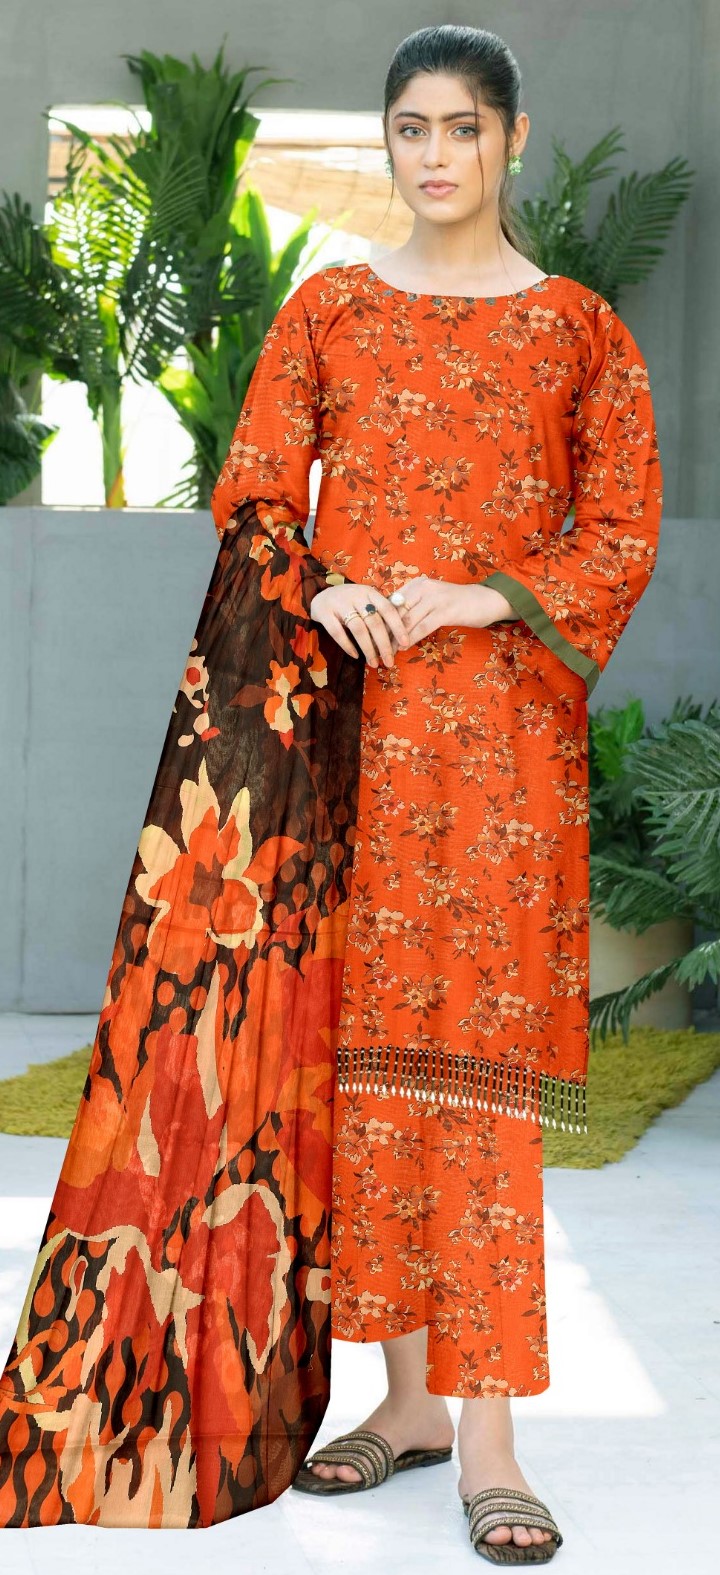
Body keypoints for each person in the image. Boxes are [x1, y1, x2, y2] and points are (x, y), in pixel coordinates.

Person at [0, 22, 662, 1552]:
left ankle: (491, 1443)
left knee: (472, 1082)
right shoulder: (334, 310)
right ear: (388, 142)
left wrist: (481, 599)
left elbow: (619, 528)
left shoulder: (578, 332)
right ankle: (406, 1404)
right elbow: (254, 488)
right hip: (338, 743)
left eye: (463, 129)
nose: (435, 155)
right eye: (410, 129)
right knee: (361, 1078)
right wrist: (329, 583)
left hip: (497, 753)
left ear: (512, 140)